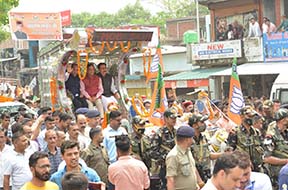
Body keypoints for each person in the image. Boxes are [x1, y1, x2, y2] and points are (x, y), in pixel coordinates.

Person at [227, 106, 264, 172]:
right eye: (249, 116)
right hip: (242, 169)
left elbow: (262, 149)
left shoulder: (256, 133)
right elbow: (230, 152)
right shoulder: (235, 132)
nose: (251, 119)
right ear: (242, 116)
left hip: (257, 169)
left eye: (252, 117)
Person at [188, 114, 221, 183]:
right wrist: (199, 180)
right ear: (194, 125)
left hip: (206, 173)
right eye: (202, 122)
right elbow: (189, 162)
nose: (204, 124)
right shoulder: (188, 140)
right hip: (194, 176)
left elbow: (209, 155)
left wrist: (223, 154)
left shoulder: (203, 138)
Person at [166, 126, 198, 190]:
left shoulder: (188, 151)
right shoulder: (173, 155)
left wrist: (198, 183)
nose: (193, 140)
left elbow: (193, 168)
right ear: (187, 140)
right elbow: (170, 179)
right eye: (192, 138)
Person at [264, 108, 288, 187]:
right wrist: (286, 161)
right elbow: (266, 158)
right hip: (276, 176)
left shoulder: (285, 133)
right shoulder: (271, 136)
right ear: (283, 120)